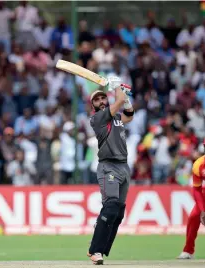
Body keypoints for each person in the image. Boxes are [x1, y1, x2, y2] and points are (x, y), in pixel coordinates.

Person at [87, 76, 135, 265]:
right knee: (111, 206)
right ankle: (94, 251)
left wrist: (126, 98)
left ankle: (103, 250)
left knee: (119, 212)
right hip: (108, 166)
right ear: (93, 106)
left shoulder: (116, 118)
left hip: (124, 166)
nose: (100, 101)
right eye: (96, 100)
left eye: (102, 98)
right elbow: (120, 101)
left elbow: (129, 115)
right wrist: (118, 89)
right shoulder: (98, 119)